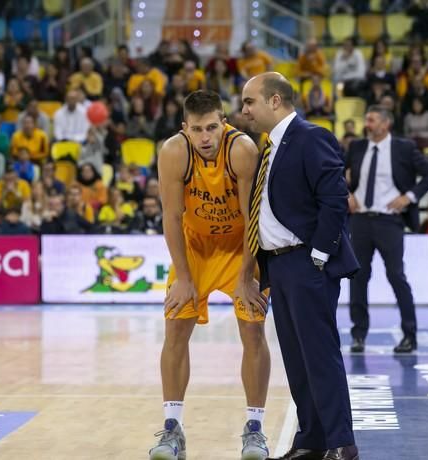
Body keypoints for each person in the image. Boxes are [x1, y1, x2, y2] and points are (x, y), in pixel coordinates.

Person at [241, 73, 360, 460]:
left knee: (320, 354)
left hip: (308, 263)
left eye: (249, 102)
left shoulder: (311, 136)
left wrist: (319, 256)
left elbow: (334, 200)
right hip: (281, 267)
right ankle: (311, 438)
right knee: (296, 357)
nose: (243, 110)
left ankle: (341, 442)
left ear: (275, 101)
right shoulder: (270, 146)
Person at [149, 90, 270, 460]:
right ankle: (172, 429)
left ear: (224, 122)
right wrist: (183, 277)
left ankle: (255, 429)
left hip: (240, 247)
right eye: (197, 129)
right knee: (175, 327)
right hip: (195, 247)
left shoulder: (242, 150)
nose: (205, 137)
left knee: (252, 328)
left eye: (212, 128)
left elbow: (253, 219)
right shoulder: (173, 152)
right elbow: (170, 217)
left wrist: (247, 275)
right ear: (185, 128)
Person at [346, 105, 428, 354]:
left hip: (390, 221)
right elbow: (335, 170)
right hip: (360, 220)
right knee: (357, 278)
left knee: (396, 276)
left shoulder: (404, 148)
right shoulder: (356, 147)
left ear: (385, 124)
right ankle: (358, 335)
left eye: (372, 120)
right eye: (366, 119)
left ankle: (410, 335)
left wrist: (409, 196)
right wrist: (347, 194)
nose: (367, 124)